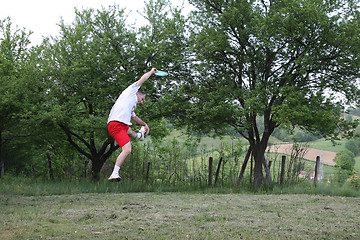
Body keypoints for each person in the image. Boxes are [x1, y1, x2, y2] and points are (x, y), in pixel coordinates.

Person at [107, 68, 157, 181]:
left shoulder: (131, 104)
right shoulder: (130, 92)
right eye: (142, 99)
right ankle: (114, 173)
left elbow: (134, 117)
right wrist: (151, 72)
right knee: (127, 149)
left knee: (129, 130)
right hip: (115, 124)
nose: (142, 102)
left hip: (122, 125)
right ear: (138, 93)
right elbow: (143, 79)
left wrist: (145, 124)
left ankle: (139, 135)